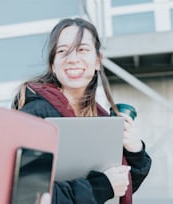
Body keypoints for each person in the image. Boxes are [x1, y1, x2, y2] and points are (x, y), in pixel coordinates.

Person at [12, 18, 151, 204]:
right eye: (62, 51)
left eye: (83, 49)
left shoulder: (101, 119)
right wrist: (102, 186)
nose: (73, 59)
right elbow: (29, 194)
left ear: (97, 61)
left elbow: (121, 185)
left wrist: (135, 151)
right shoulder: (35, 115)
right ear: (53, 65)